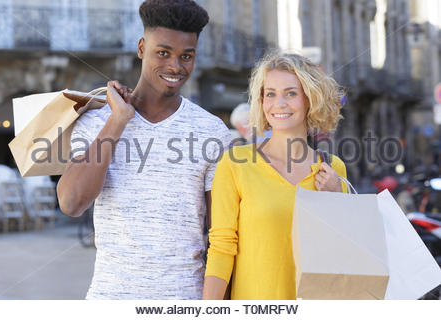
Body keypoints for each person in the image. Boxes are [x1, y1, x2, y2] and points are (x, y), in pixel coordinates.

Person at [57, 0, 231, 299]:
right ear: (141, 48)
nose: (175, 67)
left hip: (184, 301)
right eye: (162, 53)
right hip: (110, 300)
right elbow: (72, 203)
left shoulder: (212, 131)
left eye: (186, 56)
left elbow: (221, 236)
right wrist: (118, 120)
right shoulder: (96, 121)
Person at [202, 52, 348, 300]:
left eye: (291, 93)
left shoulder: (333, 169)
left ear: (310, 99)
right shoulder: (235, 164)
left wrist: (337, 199)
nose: (278, 103)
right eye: (270, 94)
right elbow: (221, 248)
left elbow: (348, 247)